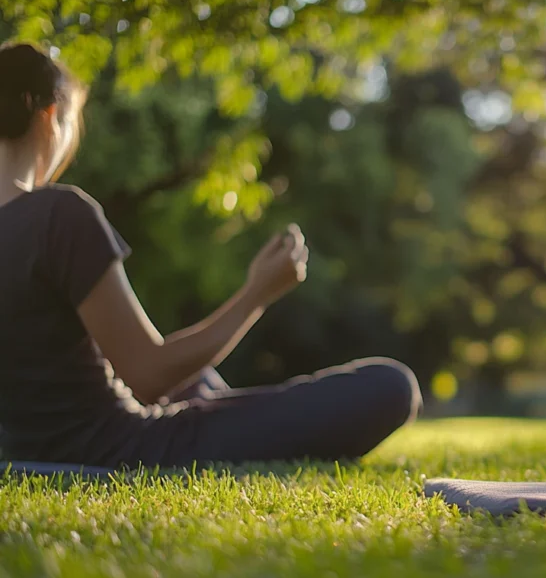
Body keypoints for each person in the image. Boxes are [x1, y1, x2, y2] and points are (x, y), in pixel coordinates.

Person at [0, 42, 421, 468]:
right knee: (391, 385)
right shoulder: (59, 214)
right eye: (74, 121)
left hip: (31, 452)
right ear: (49, 115)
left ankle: (229, 415)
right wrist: (257, 293)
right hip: (130, 449)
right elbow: (148, 375)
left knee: (197, 380)